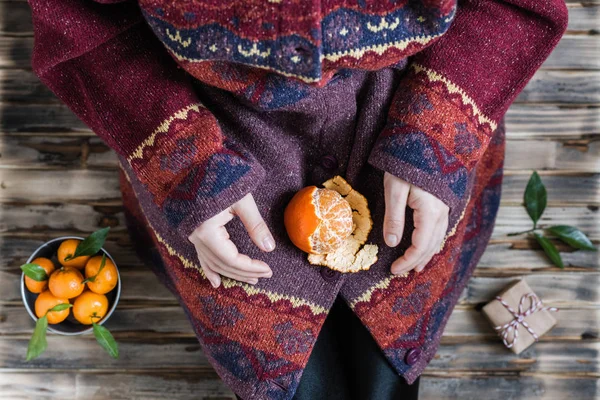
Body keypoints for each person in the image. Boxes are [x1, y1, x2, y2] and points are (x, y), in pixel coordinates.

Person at [27, 0, 568, 398]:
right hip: (207, 123)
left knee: (388, 375)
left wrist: (436, 136)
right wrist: (185, 164)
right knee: (280, 379)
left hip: (406, 98)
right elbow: (80, 22)